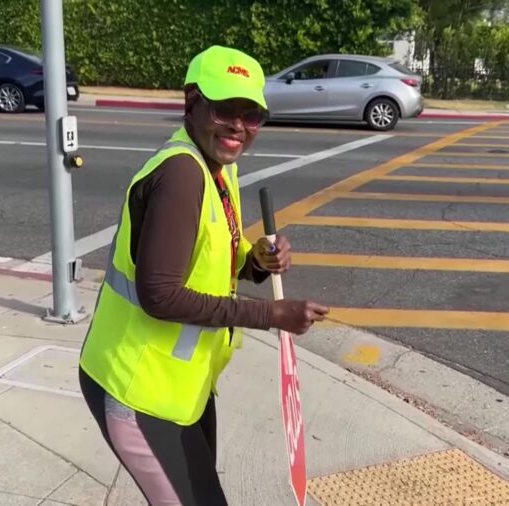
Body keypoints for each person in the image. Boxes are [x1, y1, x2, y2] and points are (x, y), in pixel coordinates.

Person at [78, 45, 330, 506]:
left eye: (251, 114)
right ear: (191, 104)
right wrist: (271, 314)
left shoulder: (216, 168)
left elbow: (207, 259)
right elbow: (160, 294)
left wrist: (255, 262)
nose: (238, 125)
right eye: (224, 109)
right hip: (138, 389)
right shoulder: (181, 175)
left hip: (181, 386)